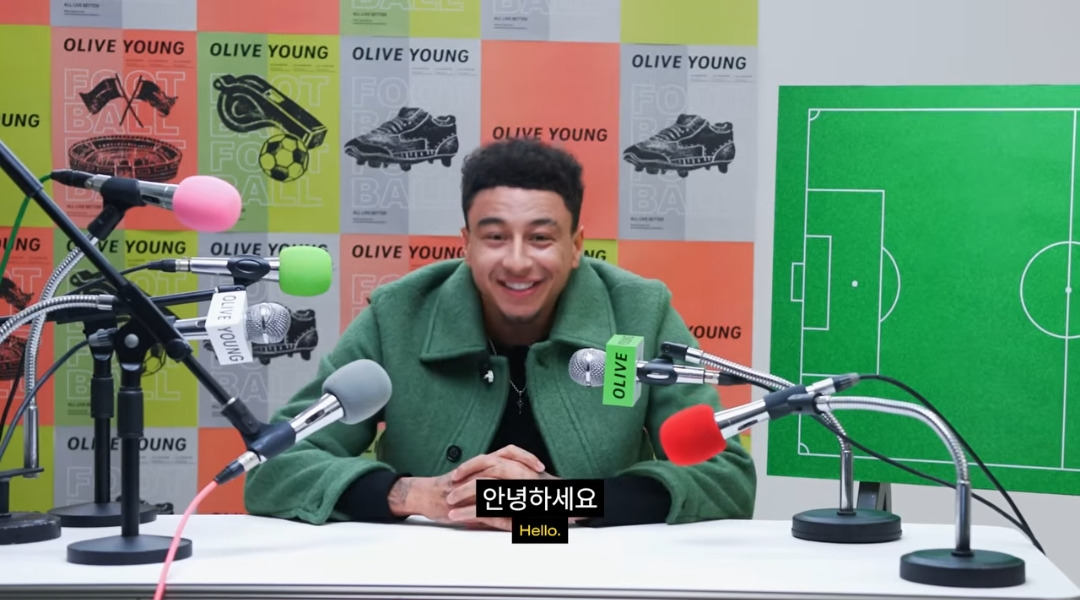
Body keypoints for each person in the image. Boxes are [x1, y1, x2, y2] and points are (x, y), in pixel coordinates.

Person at [243, 138, 756, 530]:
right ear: (465, 244)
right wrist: (417, 495)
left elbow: (726, 478)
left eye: (540, 238)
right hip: (427, 576)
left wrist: (560, 504)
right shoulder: (397, 315)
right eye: (494, 237)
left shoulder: (640, 311)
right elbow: (272, 466)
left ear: (576, 246)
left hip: (590, 573)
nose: (517, 261)